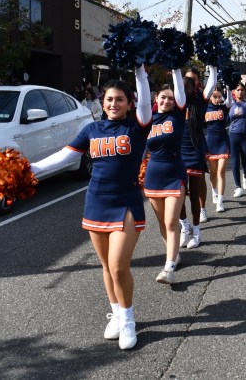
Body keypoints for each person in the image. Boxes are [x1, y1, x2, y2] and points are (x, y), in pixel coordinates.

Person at [31, 66, 151, 350]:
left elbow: (146, 99)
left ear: (129, 102)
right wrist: (29, 169)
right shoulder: (91, 129)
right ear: (102, 101)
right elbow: (64, 157)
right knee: (106, 267)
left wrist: (140, 69)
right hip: (96, 202)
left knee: (119, 266)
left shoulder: (137, 125)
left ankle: (130, 319)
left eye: (120, 99)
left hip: (126, 202)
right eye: (109, 99)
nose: (114, 104)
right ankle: (117, 314)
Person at [144, 69, 187, 285]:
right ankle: (174, 253)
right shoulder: (147, 120)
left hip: (174, 174)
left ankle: (169, 268)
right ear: (156, 99)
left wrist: (176, 70)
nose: (168, 101)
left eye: (171, 98)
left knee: (171, 221)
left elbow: (179, 91)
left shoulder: (178, 114)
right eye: (163, 97)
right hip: (153, 177)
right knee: (162, 222)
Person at [179, 68, 215, 249]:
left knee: (193, 194)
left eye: (188, 86)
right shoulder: (175, 104)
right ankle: (184, 227)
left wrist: (213, 65)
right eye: (182, 85)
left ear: (194, 88)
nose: (184, 89)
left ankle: (196, 232)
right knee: (178, 196)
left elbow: (212, 84)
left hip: (194, 152)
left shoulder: (199, 102)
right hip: (176, 155)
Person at [205, 84, 232, 212]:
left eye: (219, 97)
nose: (217, 99)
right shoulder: (204, 107)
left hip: (222, 142)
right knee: (213, 173)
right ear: (210, 97)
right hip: (210, 142)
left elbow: (230, 102)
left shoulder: (223, 107)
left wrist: (229, 87)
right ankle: (214, 192)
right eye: (214, 96)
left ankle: (220, 201)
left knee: (221, 171)